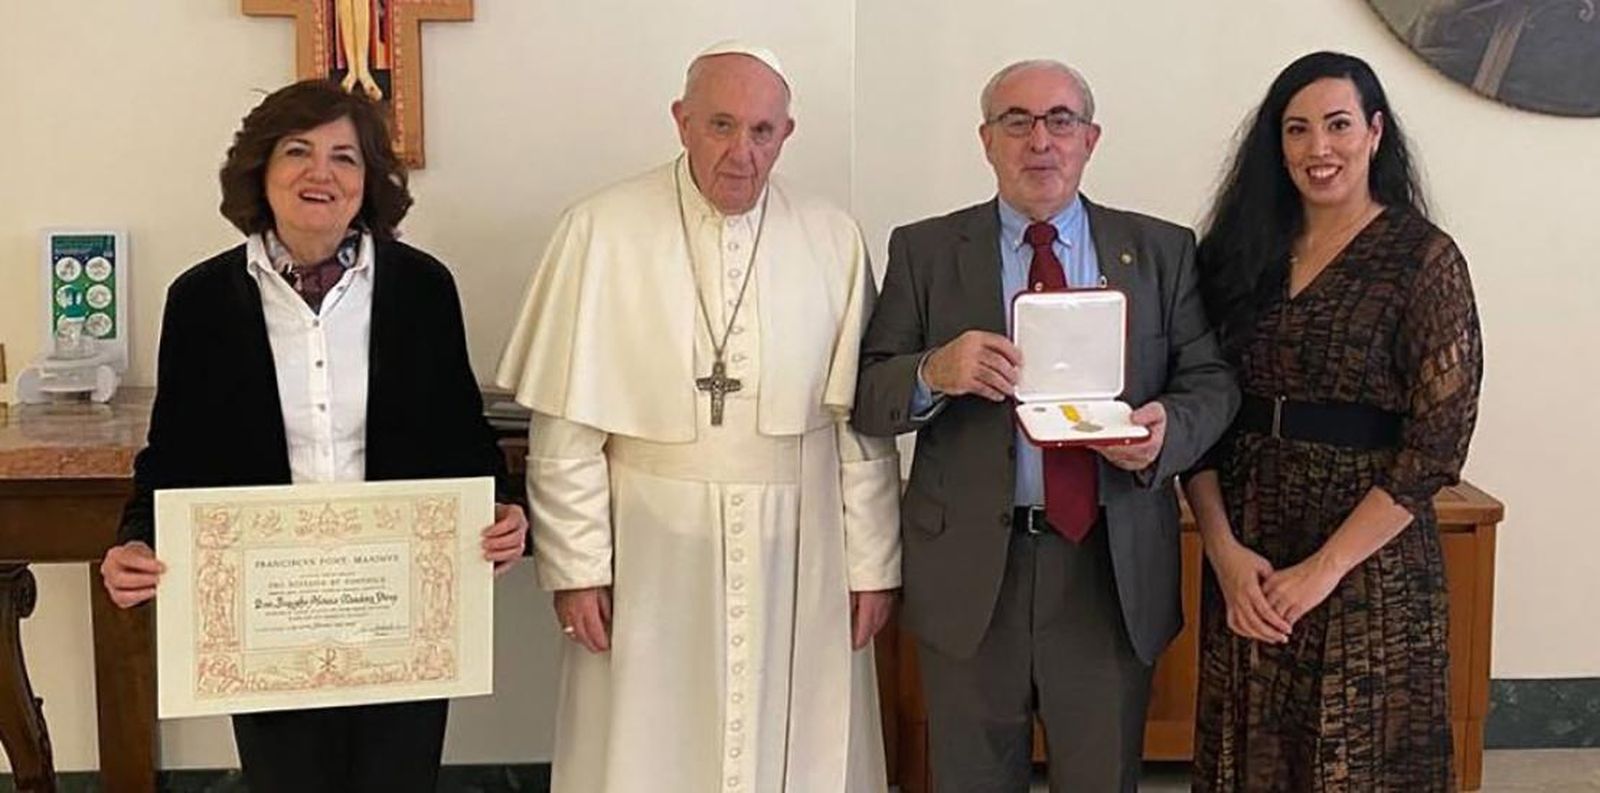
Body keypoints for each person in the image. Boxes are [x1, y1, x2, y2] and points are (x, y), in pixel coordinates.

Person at [98, 79, 528, 793]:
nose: (320, 173)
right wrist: (137, 536)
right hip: (267, 610)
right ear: (260, 172)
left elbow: (461, 438)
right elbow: (173, 454)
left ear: (369, 182)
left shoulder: (422, 288)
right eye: (297, 151)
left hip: (401, 605)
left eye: (344, 157)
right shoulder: (201, 299)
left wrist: (505, 510)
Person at [494, 41, 901, 793]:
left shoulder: (832, 237)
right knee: (648, 743)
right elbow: (568, 433)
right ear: (681, 122)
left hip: (801, 547)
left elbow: (860, 429)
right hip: (650, 544)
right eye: (720, 125)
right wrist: (579, 566)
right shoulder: (600, 229)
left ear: (786, 134)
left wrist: (872, 563)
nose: (740, 152)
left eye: (761, 131)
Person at [853, 58, 1237, 792]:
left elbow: (1211, 383)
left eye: (1060, 120)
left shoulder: (1158, 251)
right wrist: (935, 370)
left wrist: (1165, 432)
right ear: (986, 140)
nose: (1040, 141)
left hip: (1106, 569)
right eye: (1017, 121)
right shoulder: (925, 251)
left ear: (1090, 139)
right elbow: (869, 395)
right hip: (970, 576)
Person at [1186, 51, 1482, 791]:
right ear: (1276, 145)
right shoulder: (1235, 257)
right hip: (1248, 550)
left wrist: (1321, 571)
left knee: (1359, 760)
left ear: (1375, 132)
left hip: (1368, 562)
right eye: (1297, 129)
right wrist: (1221, 552)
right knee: (1246, 755)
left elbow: (1436, 445)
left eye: (1338, 124)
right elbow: (1195, 406)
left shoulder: (1423, 259)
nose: (1319, 148)